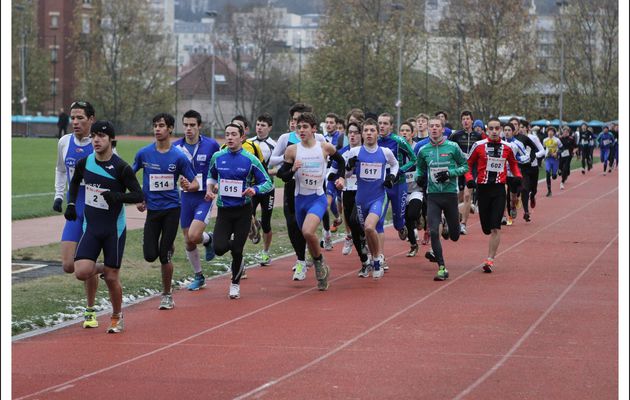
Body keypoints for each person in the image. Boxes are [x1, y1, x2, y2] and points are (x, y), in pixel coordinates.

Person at [64, 121, 143, 333]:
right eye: (94, 136)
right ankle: (103, 266)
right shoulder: (85, 162)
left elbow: (138, 194)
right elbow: (74, 182)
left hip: (113, 229)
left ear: (111, 140)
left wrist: (117, 196)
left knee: (111, 277)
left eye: (101, 136)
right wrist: (71, 203)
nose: (96, 140)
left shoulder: (121, 167)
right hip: (91, 227)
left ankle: (117, 316)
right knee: (81, 271)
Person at [133, 113, 199, 310]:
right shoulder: (144, 153)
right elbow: (128, 174)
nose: (157, 129)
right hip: (153, 210)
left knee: (164, 256)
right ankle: (166, 247)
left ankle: (167, 294)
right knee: (149, 255)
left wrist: (188, 186)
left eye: (161, 125)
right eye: (155, 125)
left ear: (170, 129)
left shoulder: (178, 156)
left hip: (171, 209)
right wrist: (138, 196)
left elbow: (195, 182)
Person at [277, 112, 346, 290]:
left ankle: (318, 264)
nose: (301, 130)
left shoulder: (325, 147)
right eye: (299, 127)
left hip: (318, 198)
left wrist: (341, 178)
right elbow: (282, 176)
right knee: (306, 235)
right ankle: (319, 262)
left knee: (308, 232)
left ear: (314, 129)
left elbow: (341, 162)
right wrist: (292, 169)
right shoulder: (292, 150)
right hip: (299, 200)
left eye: (305, 127)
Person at [205, 123, 273, 299]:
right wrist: (209, 189)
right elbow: (211, 175)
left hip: (243, 211)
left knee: (237, 250)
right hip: (224, 211)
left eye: (233, 134)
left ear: (242, 137)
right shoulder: (218, 157)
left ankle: (235, 284)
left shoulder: (250, 160)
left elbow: (267, 182)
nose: (229, 138)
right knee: (219, 248)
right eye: (227, 134)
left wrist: (254, 190)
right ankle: (215, 239)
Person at [52, 100, 101, 328]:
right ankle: (107, 266)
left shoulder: (101, 142)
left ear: (91, 119)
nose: (75, 122)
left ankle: (90, 310)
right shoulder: (64, 142)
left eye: (80, 118)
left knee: (84, 267)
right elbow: (61, 170)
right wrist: (58, 196)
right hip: (75, 207)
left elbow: (115, 174)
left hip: (95, 209)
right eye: (73, 118)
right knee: (68, 265)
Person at [269, 103, 326, 280]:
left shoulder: (320, 138)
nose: (296, 124)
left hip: (313, 187)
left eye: (300, 121)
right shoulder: (286, 139)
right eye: (294, 120)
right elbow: (272, 160)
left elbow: (329, 157)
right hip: (292, 185)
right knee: (293, 225)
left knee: (307, 228)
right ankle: (301, 261)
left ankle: (315, 254)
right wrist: (290, 160)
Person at [465, 117, 522, 273]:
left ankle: (489, 259)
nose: (494, 131)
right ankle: (488, 233)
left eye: (497, 128)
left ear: (501, 130)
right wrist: (469, 179)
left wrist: (518, 177)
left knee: (496, 226)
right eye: (491, 128)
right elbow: (467, 165)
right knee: (486, 228)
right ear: (487, 130)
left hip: (499, 189)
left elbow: (514, 164)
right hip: (482, 189)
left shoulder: (508, 147)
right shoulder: (478, 146)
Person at [344, 118, 399, 279]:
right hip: (360, 199)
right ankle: (375, 258)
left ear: (377, 133)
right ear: (362, 134)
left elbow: (395, 165)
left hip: (378, 197)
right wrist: (349, 167)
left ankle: (376, 259)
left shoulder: (384, 152)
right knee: (367, 232)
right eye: (366, 130)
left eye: (372, 130)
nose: (369, 133)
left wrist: (391, 177)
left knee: (369, 227)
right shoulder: (354, 152)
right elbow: (346, 175)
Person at [415, 117, 468, 281]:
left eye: (437, 126)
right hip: (433, 196)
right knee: (432, 231)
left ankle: (449, 224)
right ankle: (442, 267)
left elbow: (465, 166)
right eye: (431, 126)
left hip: (450, 194)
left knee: (455, 236)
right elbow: (419, 169)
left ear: (443, 129)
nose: (434, 129)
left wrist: (450, 173)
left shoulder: (452, 147)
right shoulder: (423, 150)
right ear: (428, 129)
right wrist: (419, 178)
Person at [172, 110, 220, 291]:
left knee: (193, 235)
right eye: (185, 125)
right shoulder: (176, 147)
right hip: (185, 197)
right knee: (189, 240)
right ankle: (199, 275)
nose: (188, 129)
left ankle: (208, 238)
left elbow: (218, 168)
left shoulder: (211, 145)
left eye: (192, 125)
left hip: (204, 197)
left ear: (199, 126)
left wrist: (215, 186)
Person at [330, 122, 370, 269]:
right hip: (347, 192)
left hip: (363, 191)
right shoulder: (343, 153)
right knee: (353, 225)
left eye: (356, 132)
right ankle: (364, 260)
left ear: (362, 135)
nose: (352, 135)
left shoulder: (368, 151)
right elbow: (332, 172)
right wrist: (334, 180)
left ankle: (376, 255)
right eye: (350, 133)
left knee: (357, 221)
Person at [377, 112, 416, 252]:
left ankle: (402, 226)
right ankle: (379, 255)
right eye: (380, 123)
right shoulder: (374, 140)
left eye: (385, 123)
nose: (381, 126)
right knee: (379, 219)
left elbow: (414, 159)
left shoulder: (399, 141)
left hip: (398, 184)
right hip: (381, 186)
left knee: (398, 222)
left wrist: (400, 170)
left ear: (391, 126)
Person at [448, 110, 485, 234]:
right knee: (458, 197)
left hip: (472, 169)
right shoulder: (456, 135)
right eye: (463, 119)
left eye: (468, 118)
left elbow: (483, 153)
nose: (465, 121)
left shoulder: (478, 136)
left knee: (468, 195)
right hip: (459, 169)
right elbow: (448, 148)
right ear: (461, 121)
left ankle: (463, 224)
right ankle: (456, 219)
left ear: (472, 121)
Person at [251, 113, 278, 266]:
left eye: (263, 125)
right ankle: (255, 226)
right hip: (253, 189)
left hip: (268, 189)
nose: (259, 128)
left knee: (267, 223)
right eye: (258, 124)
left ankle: (266, 253)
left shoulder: (274, 145)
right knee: (248, 216)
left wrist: (266, 172)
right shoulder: (249, 143)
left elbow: (279, 168)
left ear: (269, 128)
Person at [400, 120, 424, 256]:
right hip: (401, 190)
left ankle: (419, 215)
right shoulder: (396, 148)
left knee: (412, 214)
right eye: (402, 130)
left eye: (407, 131)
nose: (404, 133)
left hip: (416, 189)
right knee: (406, 220)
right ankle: (413, 245)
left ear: (412, 133)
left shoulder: (417, 148)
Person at [515, 120, 545, 222]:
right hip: (524, 168)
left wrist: (533, 156)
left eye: (524, 127)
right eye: (520, 127)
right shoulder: (517, 139)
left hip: (533, 167)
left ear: (527, 128)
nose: (522, 129)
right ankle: (526, 212)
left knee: (533, 189)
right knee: (524, 188)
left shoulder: (533, 138)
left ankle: (533, 196)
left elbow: (542, 151)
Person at [502, 122, 529, 225]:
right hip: (502, 174)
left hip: (513, 174)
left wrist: (518, 159)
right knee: (503, 194)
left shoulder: (518, 143)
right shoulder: (500, 143)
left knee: (512, 198)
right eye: (505, 130)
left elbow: (527, 156)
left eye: (509, 130)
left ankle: (513, 207)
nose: (507, 132)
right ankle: (504, 216)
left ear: (513, 132)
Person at [542, 126, 562, 197]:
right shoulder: (545, 140)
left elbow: (561, 149)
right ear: (547, 132)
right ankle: (549, 191)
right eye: (549, 131)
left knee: (553, 176)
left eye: (551, 131)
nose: (550, 133)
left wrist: (556, 153)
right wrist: (543, 156)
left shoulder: (557, 140)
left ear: (554, 133)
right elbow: (543, 149)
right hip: (548, 159)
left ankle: (555, 173)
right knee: (547, 172)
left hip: (555, 159)